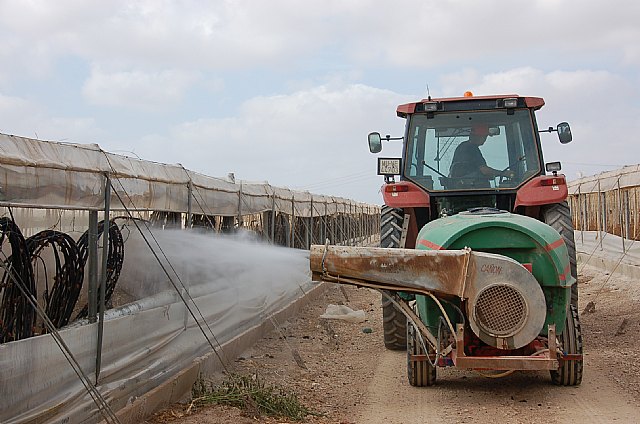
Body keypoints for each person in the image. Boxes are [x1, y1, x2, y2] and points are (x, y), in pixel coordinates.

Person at [449, 124, 513, 188]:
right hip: (474, 190)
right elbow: (484, 171)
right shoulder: (472, 148)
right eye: (485, 136)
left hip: (460, 187)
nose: (485, 139)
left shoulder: (462, 146)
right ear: (478, 136)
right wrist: (504, 173)